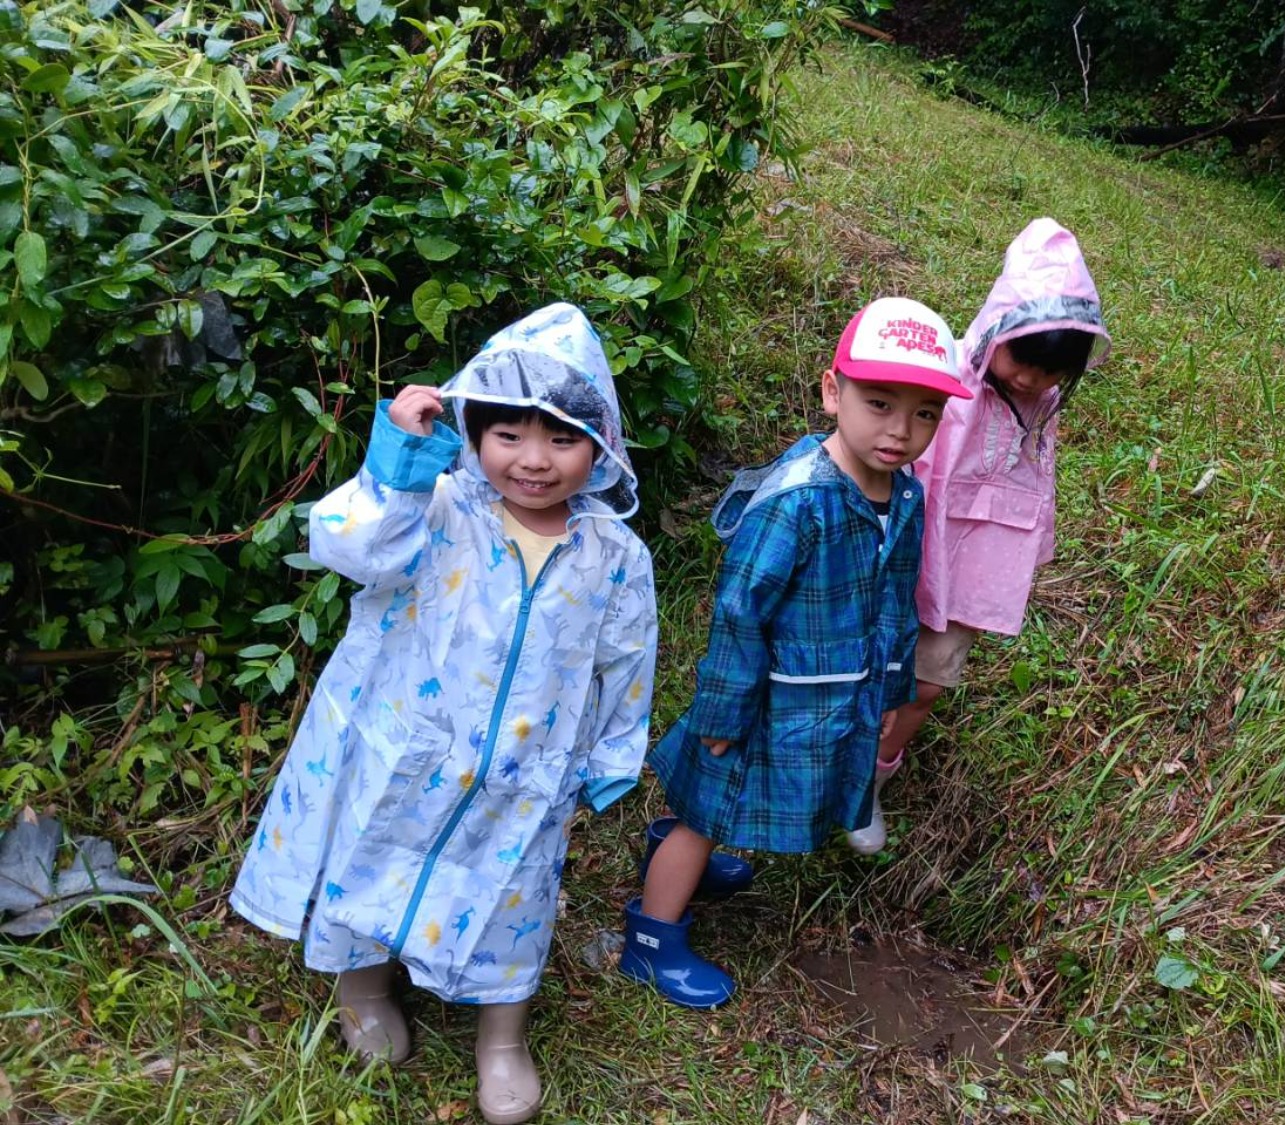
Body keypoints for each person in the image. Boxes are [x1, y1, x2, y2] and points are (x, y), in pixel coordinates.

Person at [230, 303, 657, 1125]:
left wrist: (611, 756)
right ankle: (362, 984)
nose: (534, 461)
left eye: (563, 439)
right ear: (473, 431)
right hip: (408, 750)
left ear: (600, 446)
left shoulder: (614, 554)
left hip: (527, 771)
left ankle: (502, 1036)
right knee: (373, 854)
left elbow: (626, 659)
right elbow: (350, 545)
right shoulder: (437, 508)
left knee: (512, 895)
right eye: (510, 436)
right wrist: (399, 459)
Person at [620, 297, 969, 1008]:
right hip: (760, 701)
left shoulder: (901, 494)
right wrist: (722, 711)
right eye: (879, 402)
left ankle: (685, 862)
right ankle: (653, 938)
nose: (901, 430)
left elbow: (896, 594)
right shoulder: (798, 501)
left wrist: (894, 679)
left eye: (925, 412)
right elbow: (741, 610)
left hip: (825, 693)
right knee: (705, 810)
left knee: (719, 811)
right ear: (832, 390)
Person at [845, 218, 1110, 855]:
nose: (1029, 379)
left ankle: (866, 785)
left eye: (1051, 372)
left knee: (927, 682)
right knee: (859, 664)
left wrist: (1033, 549)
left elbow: (1034, 484)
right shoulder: (947, 385)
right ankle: (824, 763)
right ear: (999, 330)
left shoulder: (1039, 407)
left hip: (971, 568)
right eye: (1023, 360)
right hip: (906, 554)